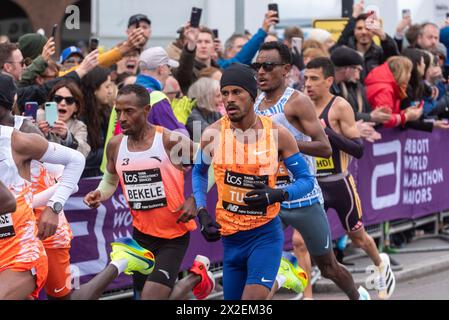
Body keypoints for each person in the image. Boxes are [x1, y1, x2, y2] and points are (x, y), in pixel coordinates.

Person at [192, 63, 320, 300]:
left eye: (237, 92)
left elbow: (306, 180)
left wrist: (277, 194)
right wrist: (201, 211)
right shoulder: (213, 134)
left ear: (252, 96)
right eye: (225, 93)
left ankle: (280, 273)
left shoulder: (277, 134)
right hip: (230, 238)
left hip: (264, 235)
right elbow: (199, 172)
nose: (229, 99)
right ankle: (282, 275)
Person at [253, 42, 368, 300]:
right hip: (271, 196)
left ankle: (358, 296)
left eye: (267, 66)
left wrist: (286, 146)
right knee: (258, 263)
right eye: (257, 66)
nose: (260, 71)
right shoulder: (255, 102)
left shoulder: (297, 102)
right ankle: (288, 270)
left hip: (303, 197)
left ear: (285, 70)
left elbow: (325, 148)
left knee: (328, 267)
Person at [84, 84, 215, 300]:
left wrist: (194, 198)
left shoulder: (169, 140)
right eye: (118, 112)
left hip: (173, 235)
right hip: (141, 235)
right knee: (141, 295)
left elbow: (210, 162)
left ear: (146, 111)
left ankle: (192, 278)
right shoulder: (116, 145)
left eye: (129, 111)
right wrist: (99, 193)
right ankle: (198, 274)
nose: (121, 118)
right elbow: (109, 181)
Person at [305, 57, 395, 299]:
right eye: (305, 78)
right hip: (313, 185)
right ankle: (308, 296)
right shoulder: (299, 105)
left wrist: (327, 133)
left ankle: (380, 263)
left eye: (314, 79)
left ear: (329, 81)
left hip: (340, 183)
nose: (308, 84)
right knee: (299, 241)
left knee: (358, 238)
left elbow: (358, 149)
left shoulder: (339, 106)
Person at [335, 0, 399, 77]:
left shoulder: (379, 53)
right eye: (359, 28)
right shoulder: (346, 52)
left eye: (368, 29)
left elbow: (394, 61)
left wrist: (383, 36)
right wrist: (354, 16)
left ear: (374, 32)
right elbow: (336, 49)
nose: (364, 32)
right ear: (354, 31)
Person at [365, 56, 424, 128]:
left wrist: (405, 112)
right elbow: (384, 118)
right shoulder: (385, 89)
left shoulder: (390, 85)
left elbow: (391, 113)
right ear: (403, 73)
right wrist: (406, 116)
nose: (410, 76)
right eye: (409, 72)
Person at [37, 80, 91, 157]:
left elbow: (83, 153)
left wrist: (67, 137)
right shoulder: (38, 117)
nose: (62, 103)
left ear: (76, 107)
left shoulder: (79, 126)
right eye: (58, 98)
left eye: (69, 100)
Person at [186, 77, 223, 141]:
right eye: (218, 96)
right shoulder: (192, 116)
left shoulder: (213, 112)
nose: (221, 100)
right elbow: (210, 137)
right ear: (205, 98)